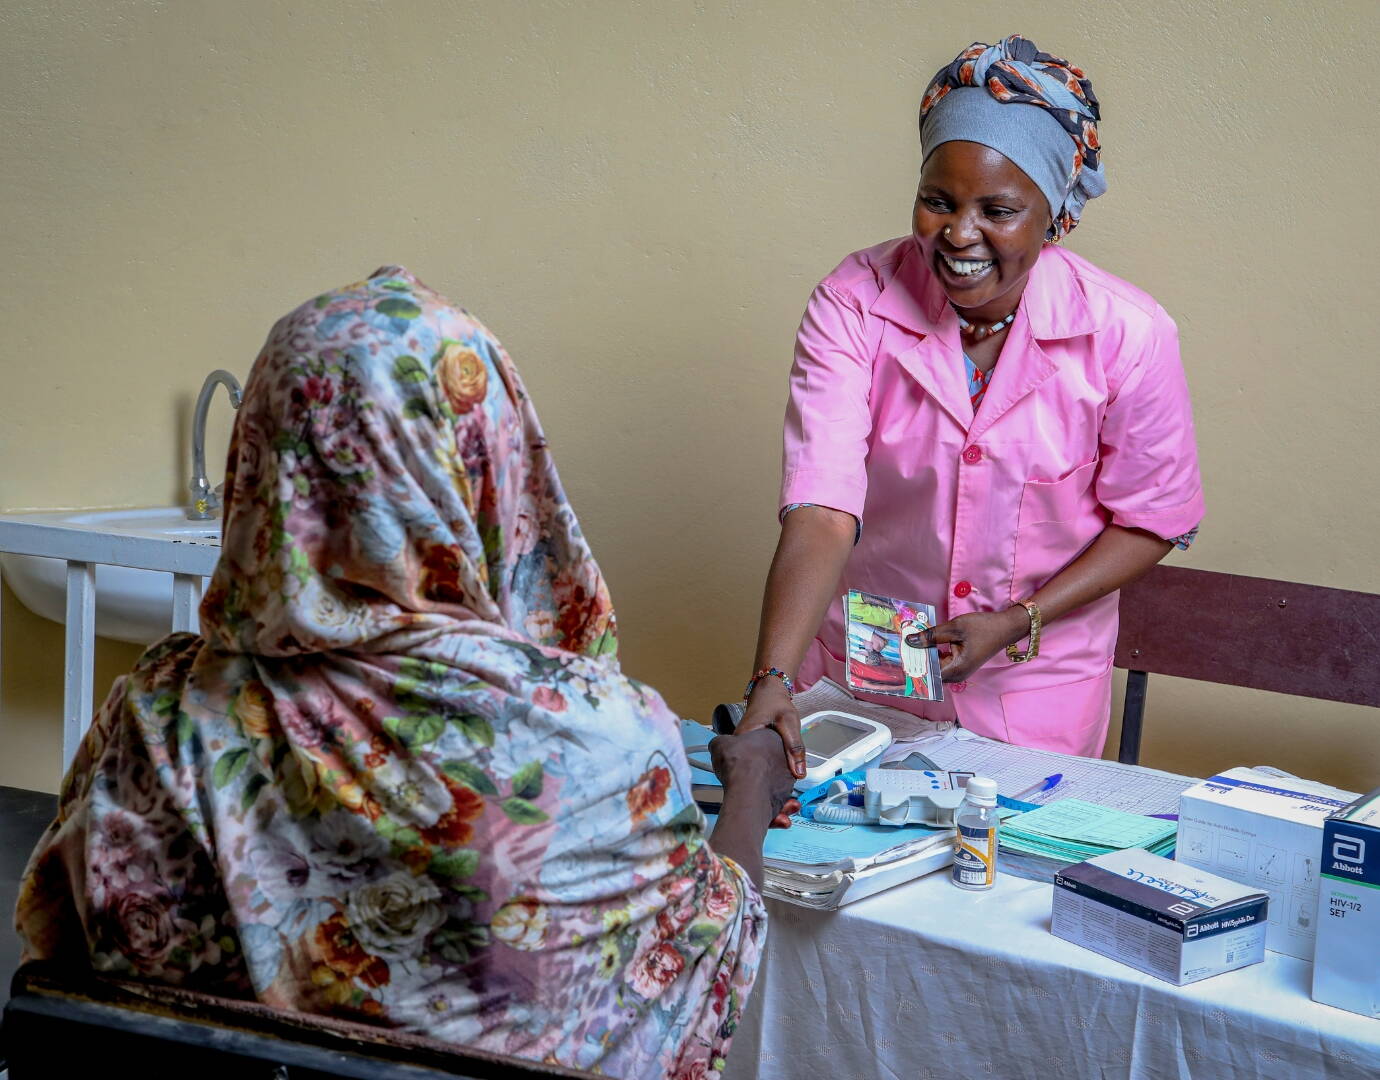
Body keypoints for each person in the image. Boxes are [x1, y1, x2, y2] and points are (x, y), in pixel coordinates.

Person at [16, 267, 795, 1079]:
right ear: (488, 463)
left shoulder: (159, 724)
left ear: (263, 456)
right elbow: (710, 940)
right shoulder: (602, 745)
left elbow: (80, 1000)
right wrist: (749, 787)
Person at [740, 35, 1203, 774]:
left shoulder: (1128, 334)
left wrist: (1019, 621)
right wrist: (770, 679)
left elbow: (1151, 519)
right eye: (938, 201)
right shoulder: (854, 302)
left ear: (1053, 216)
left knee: (1005, 875)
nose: (959, 233)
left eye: (999, 209)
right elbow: (823, 506)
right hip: (870, 672)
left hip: (1038, 685)